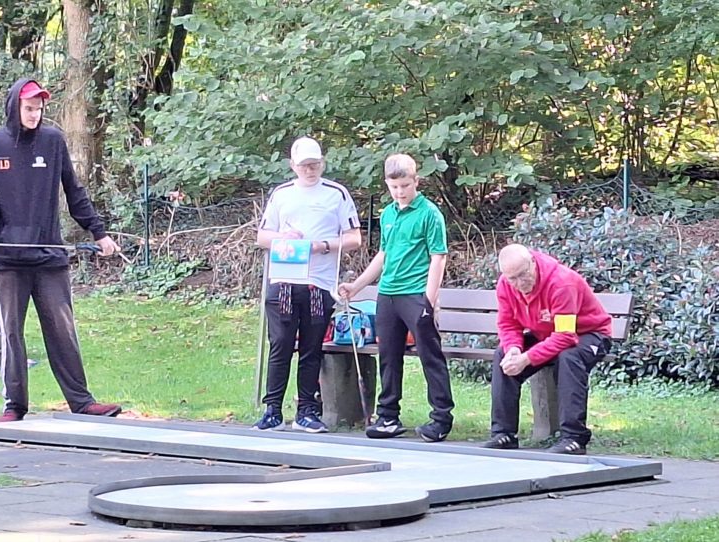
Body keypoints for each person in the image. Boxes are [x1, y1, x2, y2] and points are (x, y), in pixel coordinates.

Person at [0, 78, 122, 423]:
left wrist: (98, 232)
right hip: (7, 259)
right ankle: (14, 406)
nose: (35, 114)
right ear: (14, 107)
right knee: (12, 332)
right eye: (28, 108)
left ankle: (82, 402)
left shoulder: (53, 141)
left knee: (62, 328)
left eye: (39, 109)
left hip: (49, 254)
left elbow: (73, 190)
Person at [339, 154, 454, 443]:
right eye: (394, 187)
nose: (400, 192)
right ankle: (388, 415)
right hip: (387, 294)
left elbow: (438, 258)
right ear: (387, 185)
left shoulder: (429, 213)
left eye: (405, 185)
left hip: (415, 293)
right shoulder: (388, 214)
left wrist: (429, 300)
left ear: (416, 181)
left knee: (431, 356)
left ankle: (441, 417)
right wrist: (357, 285)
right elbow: (384, 255)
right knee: (388, 357)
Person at [254, 136, 362, 433]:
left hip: (319, 281)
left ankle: (307, 410)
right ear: (293, 166)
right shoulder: (281, 194)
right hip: (285, 278)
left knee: (312, 347)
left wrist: (324, 246)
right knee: (280, 344)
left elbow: (354, 237)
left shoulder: (336, 194)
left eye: (314, 165)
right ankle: (272, 409)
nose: (309, 170)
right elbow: (262, 236)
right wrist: (282, 239)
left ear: (322, 164)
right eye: (304, 165)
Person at [482, 243, 612, 455]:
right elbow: (508, 324)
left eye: (523, 275)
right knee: (503, 355)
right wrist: (514, 349)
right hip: (545, 334)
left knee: (569, 357)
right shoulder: (506, 285)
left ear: (532, 263)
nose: (518, 283)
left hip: (590, 334)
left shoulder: (561, 283)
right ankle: (503, 433)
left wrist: (527, 359)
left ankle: (574, 438)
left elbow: (565, 336)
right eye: (512, 278)